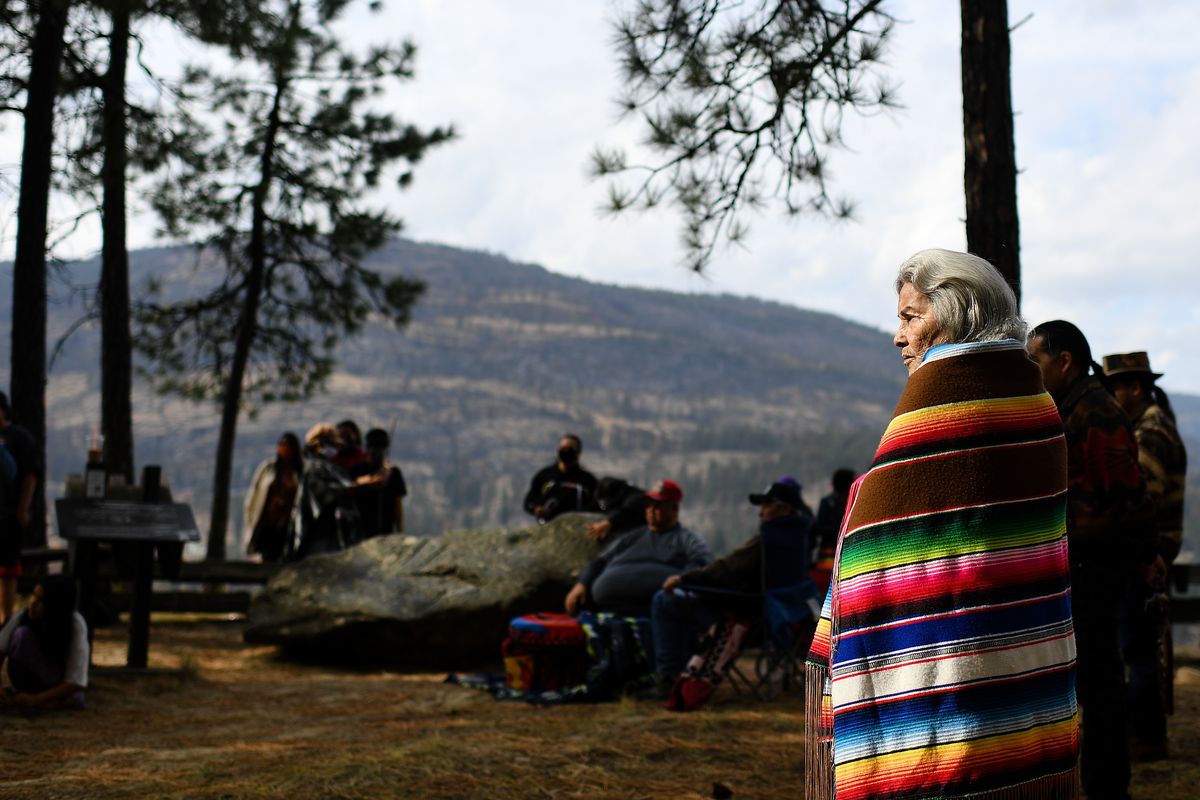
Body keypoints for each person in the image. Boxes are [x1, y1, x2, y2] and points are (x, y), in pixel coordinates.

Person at [806, 250, 1079, 800]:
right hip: (1020, 658)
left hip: (940, 679)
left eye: (910, 317)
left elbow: (875, 548)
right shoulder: (1035, 400)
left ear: (956, 316)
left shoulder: (946, 394)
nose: (897, 336)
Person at [1027, 321, 1158, 800]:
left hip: (1095, 565)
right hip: (1077, 562)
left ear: (1063, 361)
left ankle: (1107, 789)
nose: (1031, 368)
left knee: (1100, 686)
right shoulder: (1070, 408)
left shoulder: (1096, 412)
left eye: (1036, 358)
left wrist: (1146, 556)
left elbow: (1127, 495)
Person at [1102, 351, 1187, 761]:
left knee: (1136, 648)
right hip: (1149, 552)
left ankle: (1146, 739)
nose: (1112, 397)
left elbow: (1143, 502)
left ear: (1135, 388)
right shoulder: (1153, 426)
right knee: (1140, 645)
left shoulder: (1149, 434)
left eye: (1115, 387)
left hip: (1142, 555)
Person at [652, 476, 815, 686]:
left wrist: (684, 579)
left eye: (766, 505)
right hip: (780, 609)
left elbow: (728, 568)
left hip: (747, 610)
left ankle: (669, 676)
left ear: (784, 509)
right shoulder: (800, 535)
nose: (760, 512)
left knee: (665, 600)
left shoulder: (770, 538)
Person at [564, 480, 710, 617]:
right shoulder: (632, 536)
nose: (651, 510)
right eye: (649, 505)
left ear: (674, 509)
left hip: (655, 607)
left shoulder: (687, 538)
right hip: (609, 604)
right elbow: (600, 561)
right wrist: (581, 584)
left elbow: (700, 561)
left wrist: (680, 580)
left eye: (658, 506)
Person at [0, 576, 88, 710]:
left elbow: (75, 681)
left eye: (41, 600)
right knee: (21, 634)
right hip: (28, 680)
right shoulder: (24, 616)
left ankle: (48, 700)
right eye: (33, 595)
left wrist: (36, 699)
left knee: (74, 698)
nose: (33, 602)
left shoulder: (74, 625)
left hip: (56, 683)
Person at [291, 424, 360, 559]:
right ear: (318, 445)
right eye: (332, 445)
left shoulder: (330, 468)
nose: (335, 450)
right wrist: (367, 482)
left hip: (332, 538)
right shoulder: (313, 468)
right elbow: (337, 490)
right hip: (317, 539)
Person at [0, 391, 39, 623]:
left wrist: (23, 507)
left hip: (8, 512)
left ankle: (6, 617)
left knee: (7, 567)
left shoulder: (19, 438)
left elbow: (29, 475)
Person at [244, 432, 304, 562]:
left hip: (289, 528)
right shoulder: (267, 469)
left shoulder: (300, 473)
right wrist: (251, 522)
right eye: (282, 445)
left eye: (288, 445)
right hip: (268, 526)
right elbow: (253, 497)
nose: (285, 448)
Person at [523, 434, 598, 523]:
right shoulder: (544, 475)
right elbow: (529, 501)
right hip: (547, 528)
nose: (565, 451)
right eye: (563, 448)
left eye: (569, 449)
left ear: (578, 453)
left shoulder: (588, 480)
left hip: (577, 527)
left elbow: (597, 505)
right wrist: (535, 509)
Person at [352, 428, 408, 538]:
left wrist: (400, 532)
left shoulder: (393, 473)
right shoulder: (356, 471)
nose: (376, 452)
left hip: (385, 532)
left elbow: (397, 504)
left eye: (379, 448)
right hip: (360, 532)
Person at [808, 467, 856, 596]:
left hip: (849, 553)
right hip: (829, 556)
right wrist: (840, 530)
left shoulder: (854, 502)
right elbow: (820, 528)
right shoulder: (828, 503)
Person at [586, 476, 647, 542]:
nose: (604, 504)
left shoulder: (635, 497)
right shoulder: (604, 498)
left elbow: (626, 510)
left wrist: (608, 522)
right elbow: (599, 505)